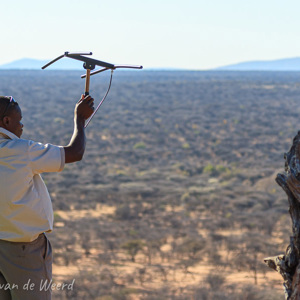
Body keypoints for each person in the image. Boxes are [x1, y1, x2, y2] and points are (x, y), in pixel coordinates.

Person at [0, 94, 94, 300]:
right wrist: (80, 120)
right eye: (19, 120)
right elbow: (75, 152)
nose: (22, 126)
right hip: (23, 251)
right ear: (6, 122)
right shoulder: (20, 151)